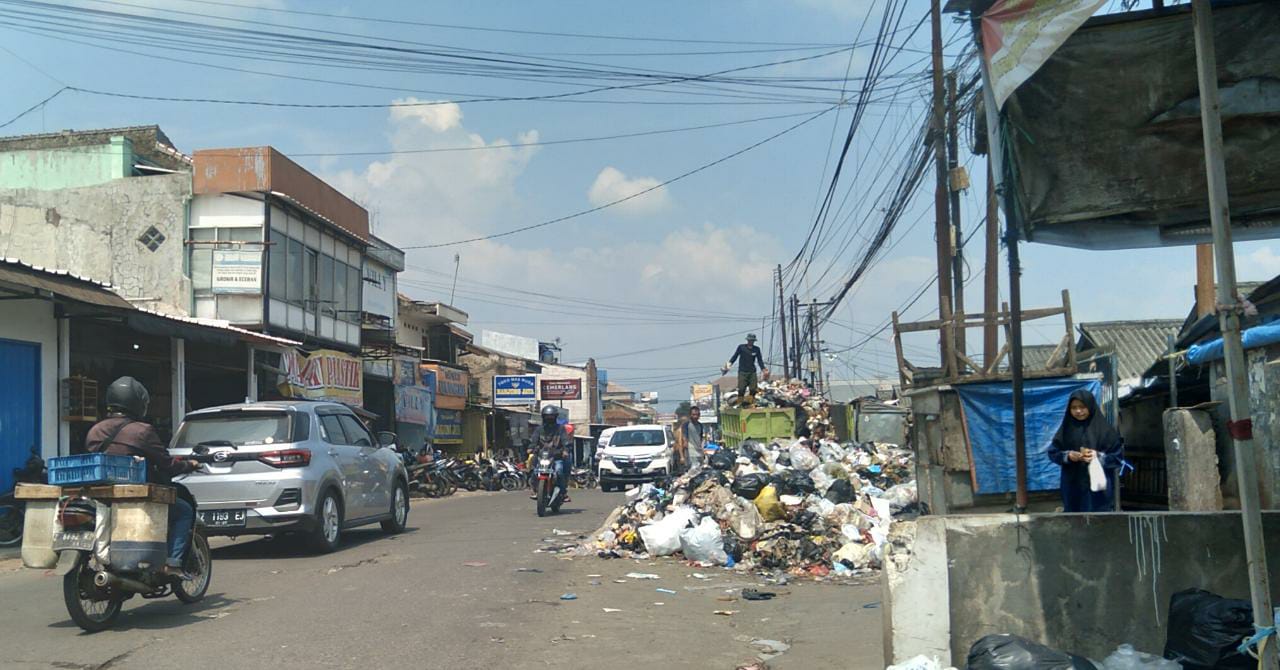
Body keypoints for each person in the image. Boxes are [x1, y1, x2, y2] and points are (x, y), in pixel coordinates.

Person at [85, 376, 199, 577]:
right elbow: (167, 465)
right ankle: (172, 563)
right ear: (139, 404)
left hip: (101, 494)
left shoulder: (95, 429)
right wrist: (189, 464)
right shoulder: (142, 431)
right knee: (184, 511)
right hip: (137, 493)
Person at [1047, 389, 1124, 513]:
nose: (1078, 411)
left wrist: (1098, 456)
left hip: (1098, 490)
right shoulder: (1066, 430)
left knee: (1098, 522)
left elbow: (1117, 458)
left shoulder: (1106, 431)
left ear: (1090, 406)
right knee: (1075, 522)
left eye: (1082, 407)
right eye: (1074, 407)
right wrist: (1068, 456)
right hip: (1072, 486)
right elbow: (1053, 452)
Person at [530, 405, 572, 502]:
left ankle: (563, 492)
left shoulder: (560, 429)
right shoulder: (539, 429)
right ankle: (535, 490)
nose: (549, 419)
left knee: (559, 471)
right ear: (543, 417)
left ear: (555, 417)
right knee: (534, 471)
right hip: (542, 457)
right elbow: (533, 440)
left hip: (557, 457)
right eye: (547, 417)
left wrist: (565, 450)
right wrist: (530, 447)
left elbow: (565, 441)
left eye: (551, 417)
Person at [723, 334, 767, 405]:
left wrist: (763, 369)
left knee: (753, 389)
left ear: (754, 341)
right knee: (741, 389)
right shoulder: (741, 347)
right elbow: (735, 356)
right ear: (747, 340)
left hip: (752, 372)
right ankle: (740, 402)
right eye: (750, 340)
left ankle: (750, 402)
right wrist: (729, 364)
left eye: (752, 340)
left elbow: (760, 361)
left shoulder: (756, 349)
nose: (751, 342)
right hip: (742, 372)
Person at [675, 406, 707, 474]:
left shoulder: (700, 425)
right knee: (693, 472)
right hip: (691, 454)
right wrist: (682, 456)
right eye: (694, 414)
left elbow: (701, 439)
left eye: (697, 414)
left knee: (700, 472)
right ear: (690, 415)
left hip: (699, 453)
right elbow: (683, 441)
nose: (696, 416)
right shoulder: (686, 425)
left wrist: (703, 452)